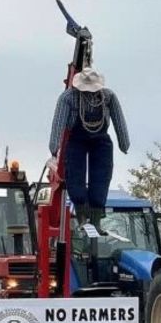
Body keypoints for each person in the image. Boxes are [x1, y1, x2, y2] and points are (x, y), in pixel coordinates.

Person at [49, 67, 129, 234]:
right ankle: (82, 217)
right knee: (75, 176)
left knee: (102, 176)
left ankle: (96, 219)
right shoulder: (68, 97)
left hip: (101, 139)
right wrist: (54, 147)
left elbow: (119, 120)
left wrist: (124, 143)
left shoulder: (108, 96)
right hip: (77, 140)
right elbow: (59, 122)